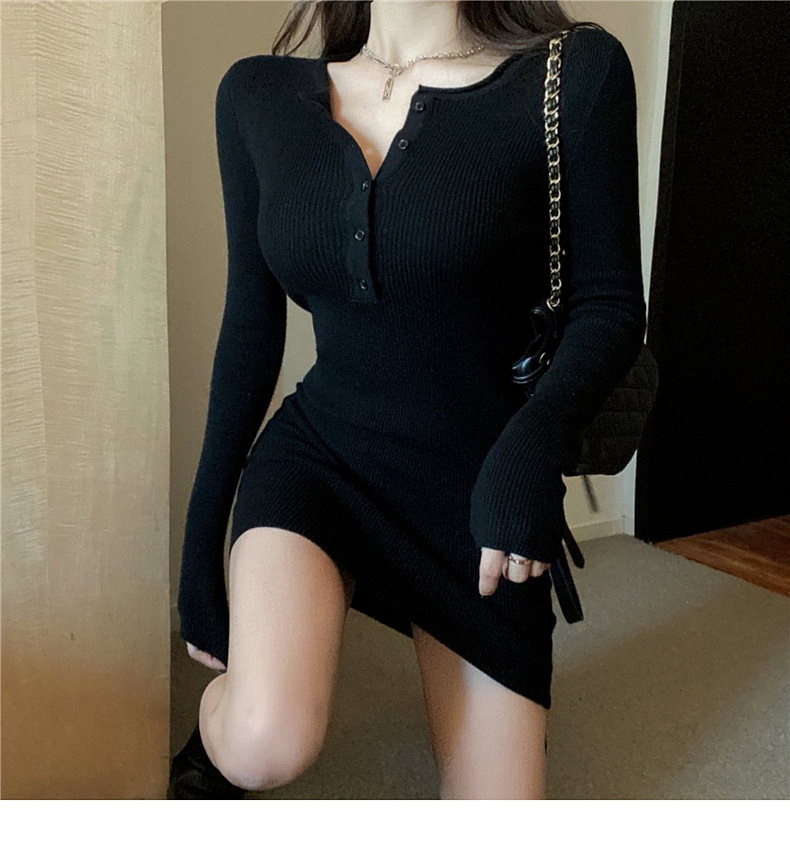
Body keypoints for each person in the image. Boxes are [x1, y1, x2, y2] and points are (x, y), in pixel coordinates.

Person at [169, 0, 646, 800]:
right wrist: (199, 549)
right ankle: (219, 732)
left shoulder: (571, 74)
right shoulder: (255, 95)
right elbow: (250, 325)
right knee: (262, 741)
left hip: (478, 490)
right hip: (322, 463)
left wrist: (529, 455)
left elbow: (610, 305)